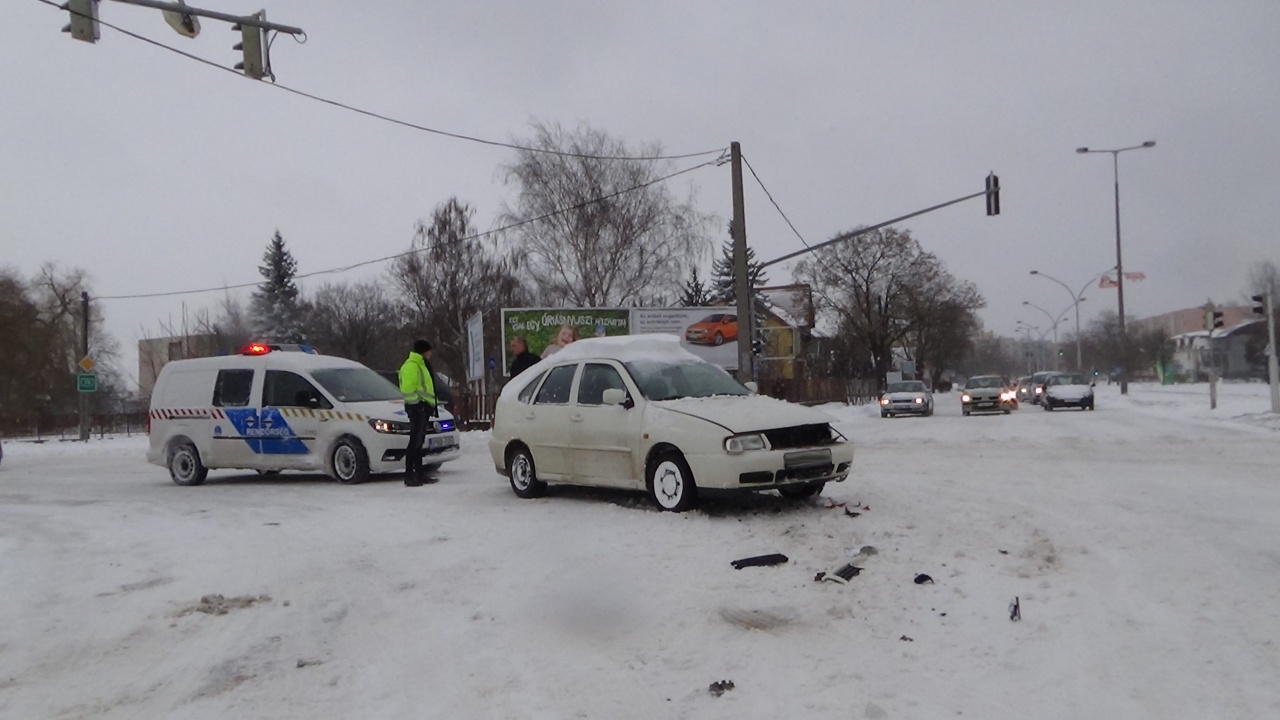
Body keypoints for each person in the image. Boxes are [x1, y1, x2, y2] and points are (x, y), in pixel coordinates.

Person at [399, 339, 438, 487]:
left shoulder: (421, 365)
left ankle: (419, 474)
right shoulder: (411, 366)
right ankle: (409, 475)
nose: (431, 354)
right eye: (429, 351)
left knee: (419, 442)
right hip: (416, 408)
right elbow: (407, 389)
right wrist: (418, 404)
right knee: (414, 442)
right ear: (423, 351)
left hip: (422, 407)